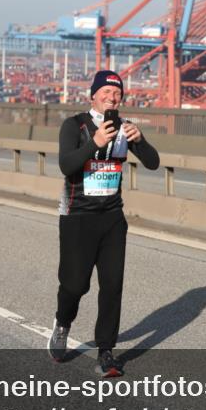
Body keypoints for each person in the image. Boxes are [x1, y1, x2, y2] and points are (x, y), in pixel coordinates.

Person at [47, 70, 160, 377]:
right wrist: (95, 142)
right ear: (93, 95)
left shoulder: (124, 128)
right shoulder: (75, 125)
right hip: (77, 216)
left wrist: (141, 139)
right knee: (75, 284)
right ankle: (62, 322)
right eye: (106, 92)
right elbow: (66, 165)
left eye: (117, 94)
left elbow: (153, 162)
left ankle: (106, 352)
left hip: (112, 217)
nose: (112, 98)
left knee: (112, 286)